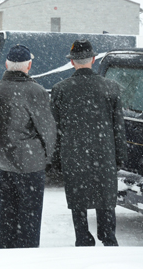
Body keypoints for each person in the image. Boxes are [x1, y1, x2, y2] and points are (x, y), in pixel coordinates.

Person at [51, 39, 127, 247]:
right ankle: (108, 237)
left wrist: (56, 159)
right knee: (105, 200)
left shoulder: (60, 89)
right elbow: (118, 127)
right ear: (93, 60)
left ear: (72, 62)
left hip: (73, 155)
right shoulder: (111, 88)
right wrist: (120, 157)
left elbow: (55, 129)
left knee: (79, 202)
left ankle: (83, 238)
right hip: (104, 155)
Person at [0, 44, 56, 248]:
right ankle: (27, 256)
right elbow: (48, 130)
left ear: (7, 64)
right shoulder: (36, 91)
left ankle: (6, 250)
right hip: (31, 164)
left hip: (6, 162)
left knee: (7, 210)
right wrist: (47, 157)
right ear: (29, 66)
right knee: (30, 216)